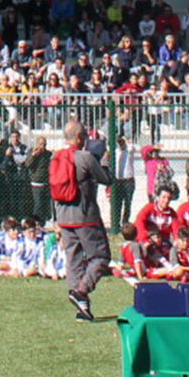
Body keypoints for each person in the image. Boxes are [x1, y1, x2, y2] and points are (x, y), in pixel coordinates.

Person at [53, 118, 113, 323]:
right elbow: (106, 179)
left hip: (63, 216)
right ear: (79, 137)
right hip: (85, 216)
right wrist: (103, 160)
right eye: (85, 135)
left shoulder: (56, 157)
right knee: (101, 257)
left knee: (74, 258)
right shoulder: (85, 157)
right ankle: (81, 290)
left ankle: (82, 308)